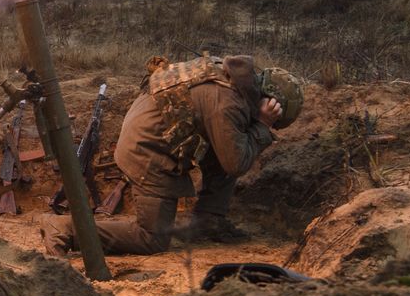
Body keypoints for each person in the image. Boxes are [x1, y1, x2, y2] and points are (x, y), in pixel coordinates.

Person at [41, 55, 303, 257]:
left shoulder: (234, 81)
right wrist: (263, 126)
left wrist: (255, 127)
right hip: (146, 148)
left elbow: (227, 155)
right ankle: (66, 228)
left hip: (150, 127)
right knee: (151, 238)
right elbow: (236, 164)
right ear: (269, 99)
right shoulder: (228, 103)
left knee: (231, 144)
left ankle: (208, 222)